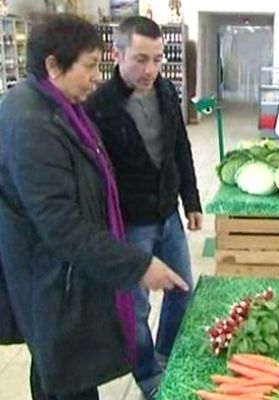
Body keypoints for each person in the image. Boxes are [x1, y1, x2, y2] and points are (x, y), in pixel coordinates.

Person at [0, 14, 188, 400]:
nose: (95, 77)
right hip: (51, 281)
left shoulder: (56, 105)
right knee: (65, 377)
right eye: (88, 67)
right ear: (53, 65)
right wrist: (137, 264)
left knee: (64, 374)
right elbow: (61, 224)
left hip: (64, 276)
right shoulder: (32, 124)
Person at [85, 16, 202, 400]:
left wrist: (192, 200)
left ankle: (166, 353)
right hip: (130, 225)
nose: (150, 69)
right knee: (134, 309)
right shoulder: (98, 106)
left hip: (168, 216)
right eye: (140, 59)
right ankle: (148, 375)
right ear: (116, 54)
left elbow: (180, 148)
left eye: (157, 58)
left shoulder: (167, 90)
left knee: (183, 289)